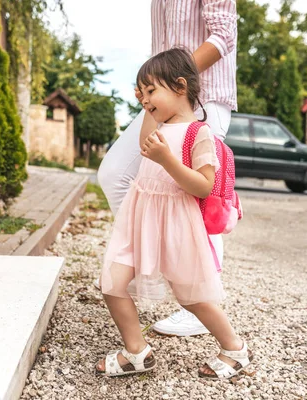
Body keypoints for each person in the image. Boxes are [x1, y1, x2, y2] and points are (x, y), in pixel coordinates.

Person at [94, 48, 251, 379]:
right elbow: (143, 144)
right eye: (142, 92)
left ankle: (234, 349)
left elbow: (203, 186)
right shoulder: (159, 127)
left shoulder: (199, 133)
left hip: (177, 223)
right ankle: (136, 351)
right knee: (111, 282)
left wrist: (168, 160)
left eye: (151, 90)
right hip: (139, 219)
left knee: (192, 297)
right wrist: (148, 108)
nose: (145, 98)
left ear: (180, 86)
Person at [96, 0, 239, 337]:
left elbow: (223, 36)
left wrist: (167, 83)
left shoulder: (195, 123)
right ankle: (152, 259)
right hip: (163, 92)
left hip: (202, 95)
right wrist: (151, 94)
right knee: (115, 172)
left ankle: (199, 297)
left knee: (200, 203)